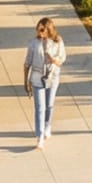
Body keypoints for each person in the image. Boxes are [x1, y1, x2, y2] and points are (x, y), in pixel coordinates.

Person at [24, 17, 66, 146]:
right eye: (38, 29)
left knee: (49, 105)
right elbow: (27, 63)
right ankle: (40, 134)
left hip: (52, 77)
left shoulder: (57, 42)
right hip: (37, 77)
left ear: (49, 30)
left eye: (42, 30)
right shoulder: (33, 44)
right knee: (39, 108)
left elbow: (62, 60)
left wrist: (53, 60)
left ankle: (47, 125)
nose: (40, 32)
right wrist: (26, 80)